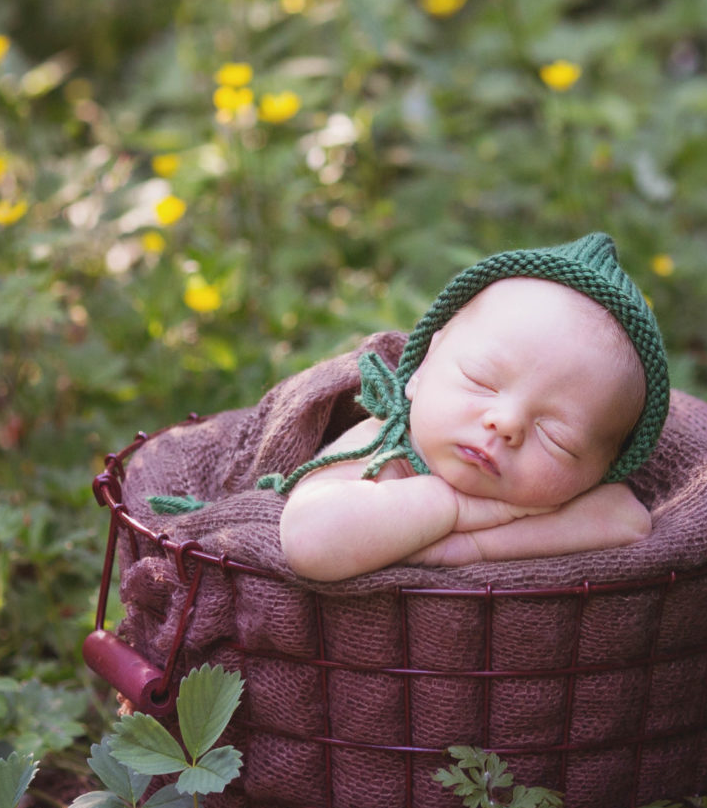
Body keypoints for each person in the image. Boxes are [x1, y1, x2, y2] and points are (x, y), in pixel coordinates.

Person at [267, 236, 668, 582]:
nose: (506, 422)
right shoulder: (384, 446)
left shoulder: (581, 495)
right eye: (481, 381)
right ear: (423, 366)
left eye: (557, 438)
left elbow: (626, 519)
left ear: (604, 469)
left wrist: (473, 546)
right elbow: (309, 541)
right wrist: (455, 507)